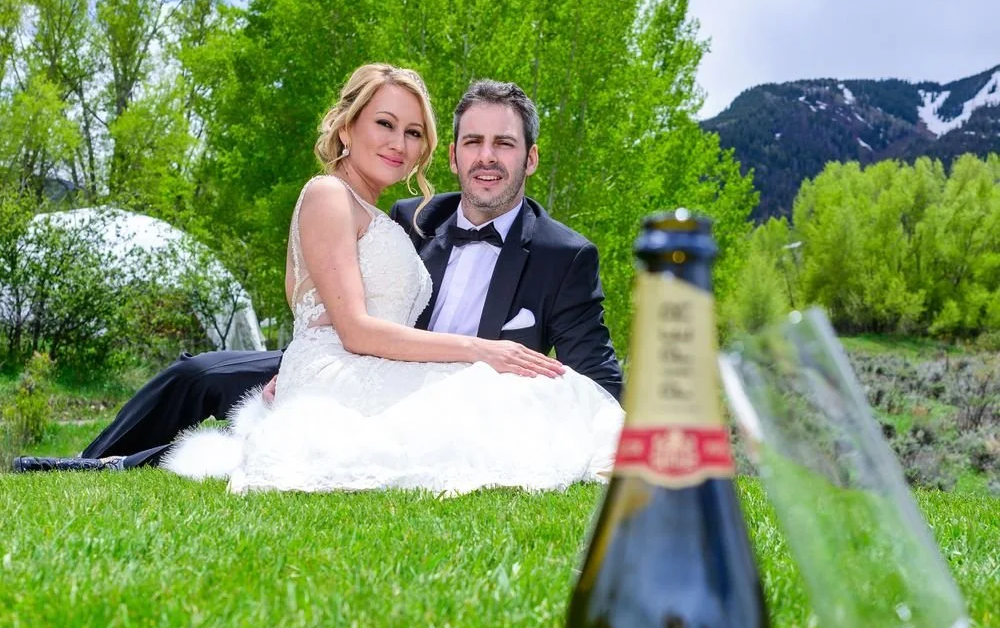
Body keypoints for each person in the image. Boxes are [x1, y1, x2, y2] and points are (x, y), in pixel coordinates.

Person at [15, 70, 622, 483]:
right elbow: (344, 292)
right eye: (473, 142)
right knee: (197, 373)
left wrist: (606, 429)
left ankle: (142, 461)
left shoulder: (562, 255)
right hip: (355, 357)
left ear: (530, 158)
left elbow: (595, 372)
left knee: (299, 422)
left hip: (417, 374)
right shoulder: (414, 217)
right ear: (456, 153)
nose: (487, 158)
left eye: (504, 145)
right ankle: (96, 462)